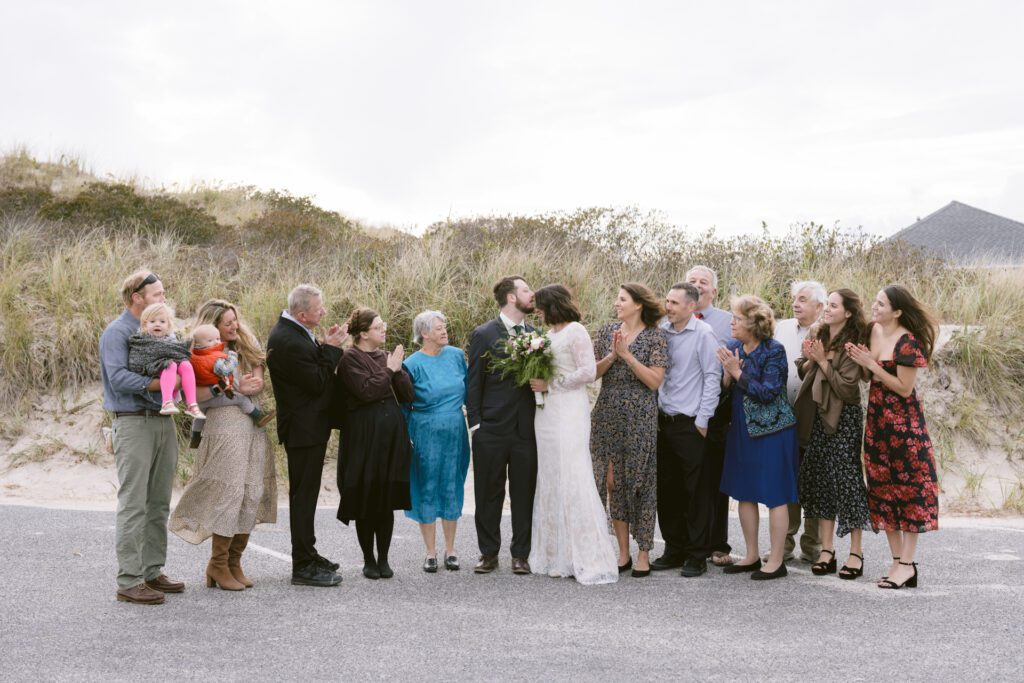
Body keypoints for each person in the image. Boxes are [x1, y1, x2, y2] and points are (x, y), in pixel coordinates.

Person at [168, 299, 279, 591]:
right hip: (225, 423)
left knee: (250, 490)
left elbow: (259, 379)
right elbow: (198, 396)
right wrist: (234, 387)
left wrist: (254, 382)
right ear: (212, 325)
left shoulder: (246, 344)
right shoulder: (202, 351)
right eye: (227, 322)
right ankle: (217, 564)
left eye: (235, 320)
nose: (234, 325)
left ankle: (233, 561)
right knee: (229, 491)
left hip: (251, 424)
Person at [99, 270, 184, 604]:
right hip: (133, 422)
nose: (163, 298)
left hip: (163, 420)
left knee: (159, 501)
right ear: (137, 296)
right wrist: (159, 385)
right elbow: (118, 377)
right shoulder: (117, 332)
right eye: (157, 294)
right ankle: (129, 580)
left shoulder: (160, 329)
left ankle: (151, 571)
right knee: (134, 502)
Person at [847, 285, 939, 589]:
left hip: (905, 427)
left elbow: (903, 388)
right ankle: (898, 561)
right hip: (876, 422)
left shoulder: (908, 342)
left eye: (882, 304)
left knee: (910, 491)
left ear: (897, 311)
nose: (875, 307)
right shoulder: (873, 330)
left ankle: (908, 563)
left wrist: (872, 365)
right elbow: (868, 375)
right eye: (875, 301)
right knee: (882, 490)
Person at [526, 285, 618, 585]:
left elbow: (588, 371)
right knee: (552, 475)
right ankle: (559, 555)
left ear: (552, 304)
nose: (536, 311)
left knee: (572, 474)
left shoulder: (576, 331)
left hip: (568, 410)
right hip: (546, 414)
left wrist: (551, 384)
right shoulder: (548, 336)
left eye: (540, 306)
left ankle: (587, 556)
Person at [266, 284, 348, 587]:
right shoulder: (288, 340)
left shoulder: (295, 331)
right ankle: (302, 564)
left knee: (307, 496)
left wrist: (326, 345)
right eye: (318, 309)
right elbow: (316, 381)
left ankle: (308, 553)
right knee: (303, 498)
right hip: (303, 429)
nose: (324, 312)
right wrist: (332, 349)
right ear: (302, 314)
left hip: (309, 426)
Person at [717, 295, 799, 580]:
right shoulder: (732, 347)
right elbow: (724, 390)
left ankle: (776, 560)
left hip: (773, 431)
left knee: (775, 495)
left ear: (753, 323)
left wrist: (737, 372)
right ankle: (751, 555)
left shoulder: (774, 350)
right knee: (744, 492)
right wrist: (728, 377)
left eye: (737, 318)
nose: (731, 322)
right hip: (741, 428)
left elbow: (768, 392)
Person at [591, 283, 668, 577]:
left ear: (638, 304)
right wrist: (612, 355)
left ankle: (644, 551)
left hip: (640, 414)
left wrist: (627, 355)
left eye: (622, 299)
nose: (616, 303)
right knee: (612, 482)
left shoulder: (655, 337)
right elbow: (593, 373)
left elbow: (654, 381)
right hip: (607, 411)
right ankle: (622, 553)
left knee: (641, 483)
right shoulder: (606, 331)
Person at [794, 289, 872, 579]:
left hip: (844, 418)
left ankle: (856, 552)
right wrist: (810, 359)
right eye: (827, 303)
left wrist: (823, 361)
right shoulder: (820, 333)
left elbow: (848, 390)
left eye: (834, 305)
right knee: (822, 481)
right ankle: (827, 550)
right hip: (816, 416)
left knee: (848, 482)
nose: (827, 309)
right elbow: (807, 374)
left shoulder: (853, 343)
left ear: (848, 312)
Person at [466, 275, 538, 575]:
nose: (532, 294)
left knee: (524, 494)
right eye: (526, 290)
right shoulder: (484, 334)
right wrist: (476, 425)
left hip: (526, 429)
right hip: (491, 429)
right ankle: (488, 553)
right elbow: (473, 381)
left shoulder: (536, 334)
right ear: (511, 297)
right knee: (488, 493)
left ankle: (521, 554)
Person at [336, 308, 415, 580]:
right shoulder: (349, 359)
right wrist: (390, 370)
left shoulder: (385, 357)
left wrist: (398, 370)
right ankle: (368, 559)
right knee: (366, 497)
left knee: (385, 498)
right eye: (378, 326)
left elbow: (407, 395)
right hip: (364, 435)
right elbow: (366, 391)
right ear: (363, 333)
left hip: (391, 434)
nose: (384, 329)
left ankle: (384, 558)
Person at [651, 282, 721, 578]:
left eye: (675, 303)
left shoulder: (704, 334)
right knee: (667, 489)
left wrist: (702, 421)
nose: (669, 307)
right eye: (667, 301)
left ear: (691, 307)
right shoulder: (661, 331)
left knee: (696, 493)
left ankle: (696, 555)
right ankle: (673, 548)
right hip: (662, 420)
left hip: (690, 423)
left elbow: (712, 376)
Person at [401, 310, 470, 573]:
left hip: (455, 428)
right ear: (424, 334)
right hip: (425, 430)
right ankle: (429, 552)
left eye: (445, 326)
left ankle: (451, 550)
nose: (444, 331)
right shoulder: (412, 364)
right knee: (427, 486)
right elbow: (405, 405)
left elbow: (468, 391)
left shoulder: (455, 355)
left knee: (452, 484)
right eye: (439, 328)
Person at [685, 265, 735, 567]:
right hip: (685, 406)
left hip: (719, 407)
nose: (698, 285)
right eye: (692, 281)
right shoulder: (672, 318)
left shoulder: (728, 322)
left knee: (715, 477)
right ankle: (687, 543)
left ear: (714, 291)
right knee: (687, 477)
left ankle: (718, 543)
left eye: (704, 282)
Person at [775, 280, 826, 563]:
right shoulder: (781, 328)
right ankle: (784, 543)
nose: (796, 303)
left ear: (819, 306)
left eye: (803, 299)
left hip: (816, 418)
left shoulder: (830, 332)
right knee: (789, 481)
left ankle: (813, 545)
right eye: (795, 298)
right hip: (784, 417)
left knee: (814, 480)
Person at [126, 302, 204, 419]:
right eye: (152, 321)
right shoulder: (141, 340)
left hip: (167, 368)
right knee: (170, 364)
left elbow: (180, 352)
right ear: (145, 325)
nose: (157, 324)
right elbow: (136, 361)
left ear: (168, 325)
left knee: (186, 364)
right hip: (151, 366)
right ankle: (167, 402)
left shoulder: (171, 341)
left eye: (162, 321)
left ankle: (191, 404)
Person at [191, 323, 274, 427]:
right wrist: (232, 358)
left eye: (218, 338)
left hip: (201, 400)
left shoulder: (194, 356)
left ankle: (195, 436)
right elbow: (225, 370)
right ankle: (258, 417)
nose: (217, 342)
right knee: (241, 399)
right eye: (211, 340)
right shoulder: (214, 357)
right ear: (199, 344)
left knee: (200, 413)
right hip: (214, 396)